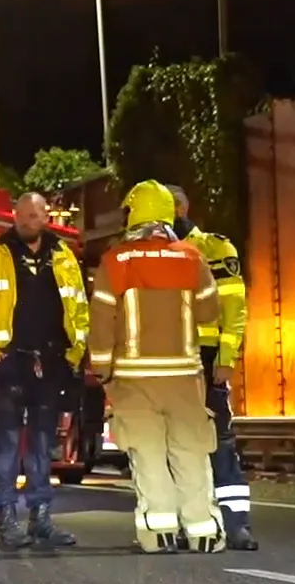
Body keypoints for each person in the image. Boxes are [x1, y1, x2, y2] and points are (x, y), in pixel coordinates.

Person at [88, 181, 226, 553]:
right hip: (184, 377)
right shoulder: (192, 258)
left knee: (147, 455)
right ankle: (203, 532)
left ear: (134, 215)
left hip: (134, 380)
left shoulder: (116, 261)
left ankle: (159, 532)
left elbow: (101, 323)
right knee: (191, 453)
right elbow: (212, 311)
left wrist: (101, 370)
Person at [0, 191, 90, 551]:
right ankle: (7, 521)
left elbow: (79, 308)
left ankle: (41, 519)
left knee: (42, 442)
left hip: (51, 362)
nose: (28, 222)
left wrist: (75, 353)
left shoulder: (63, 255)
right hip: (9, 361)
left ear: (46, 216)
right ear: (14, 216)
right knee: (5, 442)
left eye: (35, 216)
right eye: (22, 216)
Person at [166, 184, 257, 551]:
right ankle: (186, 524)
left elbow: (234, 309)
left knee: (220, 443)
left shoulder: (216, 249)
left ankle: (236, 525)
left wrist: (225, 360)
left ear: (181, 207)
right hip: (167, 364)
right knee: (171, 446)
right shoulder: (145, 254)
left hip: (204, 361)